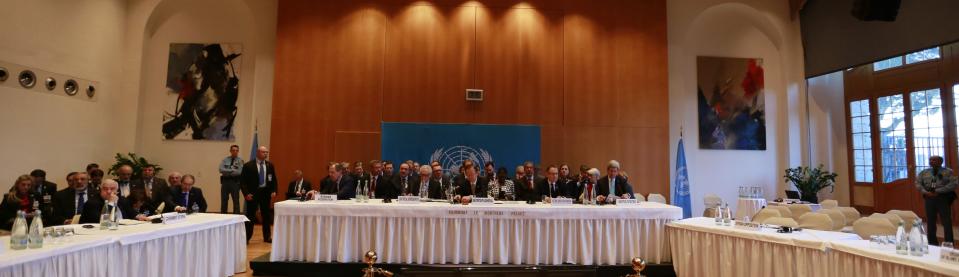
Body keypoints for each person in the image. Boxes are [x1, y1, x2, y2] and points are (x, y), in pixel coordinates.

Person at [916, 155, 957, 245]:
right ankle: (932, 243)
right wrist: (925, 192)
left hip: (942, 198)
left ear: (940, 162)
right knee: (930, 221)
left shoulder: (948, 172)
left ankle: (949, 243)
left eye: (934, 160)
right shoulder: (924, 172)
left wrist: (938, 191)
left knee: (946, 221)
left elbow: (953, 184)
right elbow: (918, 184)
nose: (931, 161)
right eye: (930, 160)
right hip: (929, 198)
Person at [241, 146, 277, 243]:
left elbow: (273, 179)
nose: (266, 154)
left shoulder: (270, 165)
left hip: (265, 193)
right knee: (250, 216)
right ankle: (247, 237)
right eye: (263, 152)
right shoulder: (248, 165)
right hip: (252, 194)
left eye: (267, 152)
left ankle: (267, 237)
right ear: (258, 153)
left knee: (266, 216)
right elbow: (243, 182)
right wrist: (246, 194)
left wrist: (274, 190)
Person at [219, 144, 244, 214]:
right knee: (224, 201)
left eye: (236, 150)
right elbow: (220, 169)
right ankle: (223, 217)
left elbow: (239, 172)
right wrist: (231, 170)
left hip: (235, 182)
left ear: (238, 151)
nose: (235, 152)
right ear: (230, 151)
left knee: (236, 201)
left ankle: (236, 218)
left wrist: (226, 171)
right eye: (233, 150)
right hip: (225, 182)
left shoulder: (240, 161)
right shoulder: (225, 160)